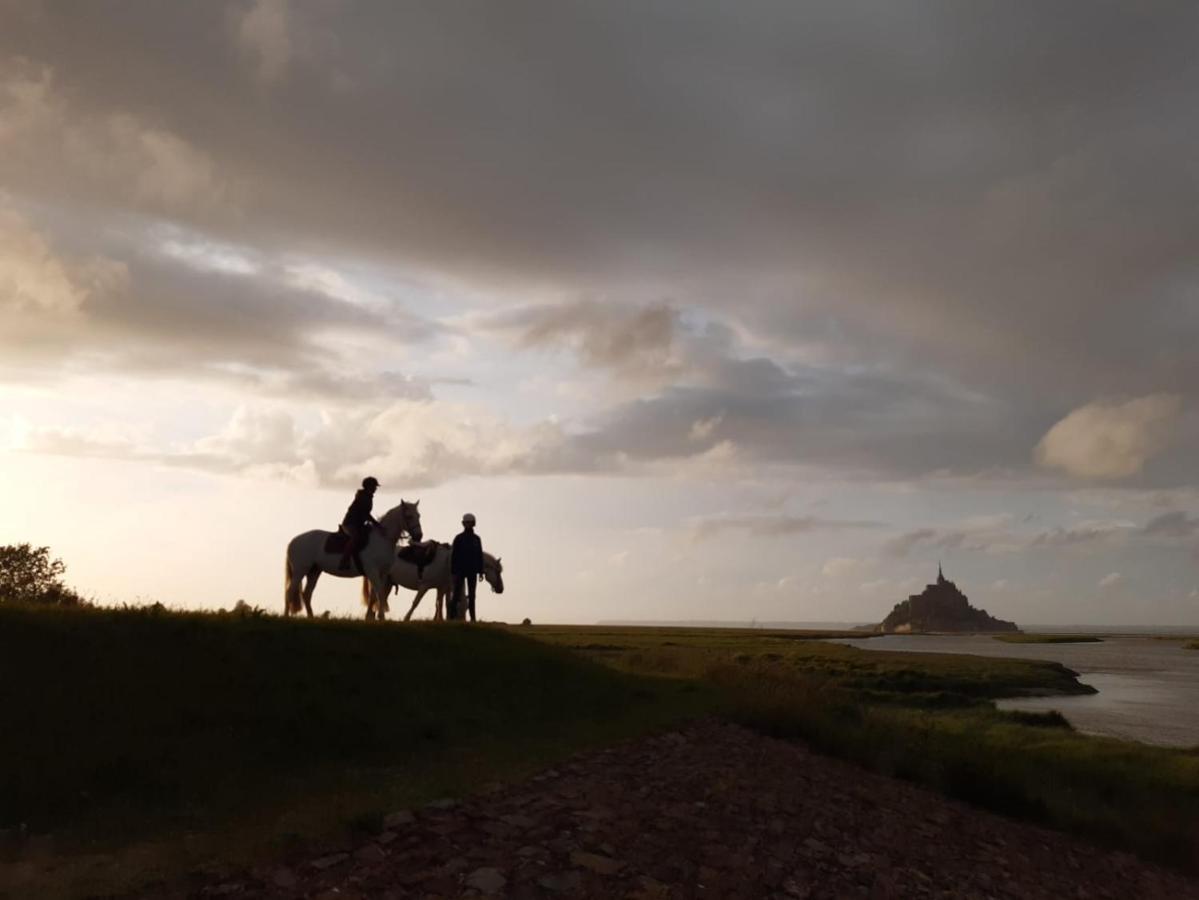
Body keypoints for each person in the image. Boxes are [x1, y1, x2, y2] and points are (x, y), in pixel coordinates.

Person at [339, 476, 380, 571]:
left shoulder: (368, 497)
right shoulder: (363, 497)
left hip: (359, 524)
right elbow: (365, 513)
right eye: (374, 486)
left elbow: (366, 514)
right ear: (369, 486)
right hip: (350, 524)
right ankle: (344, 560)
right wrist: (377, 524)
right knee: (355, 537)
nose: (376, 489)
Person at [450, 512, 484, 621]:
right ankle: (451, 617)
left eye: (470, 522)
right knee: (456, 595)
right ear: (463, 524)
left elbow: (479, 555)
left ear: (473, 524)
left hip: (472, 571)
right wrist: (453, 571)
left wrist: (481, 571)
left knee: (472, 595)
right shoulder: (458, 538)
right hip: (460, 570)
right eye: (467, 522)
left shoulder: (477, 539)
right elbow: (454, 555)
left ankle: (473, 618)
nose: (468, 524)